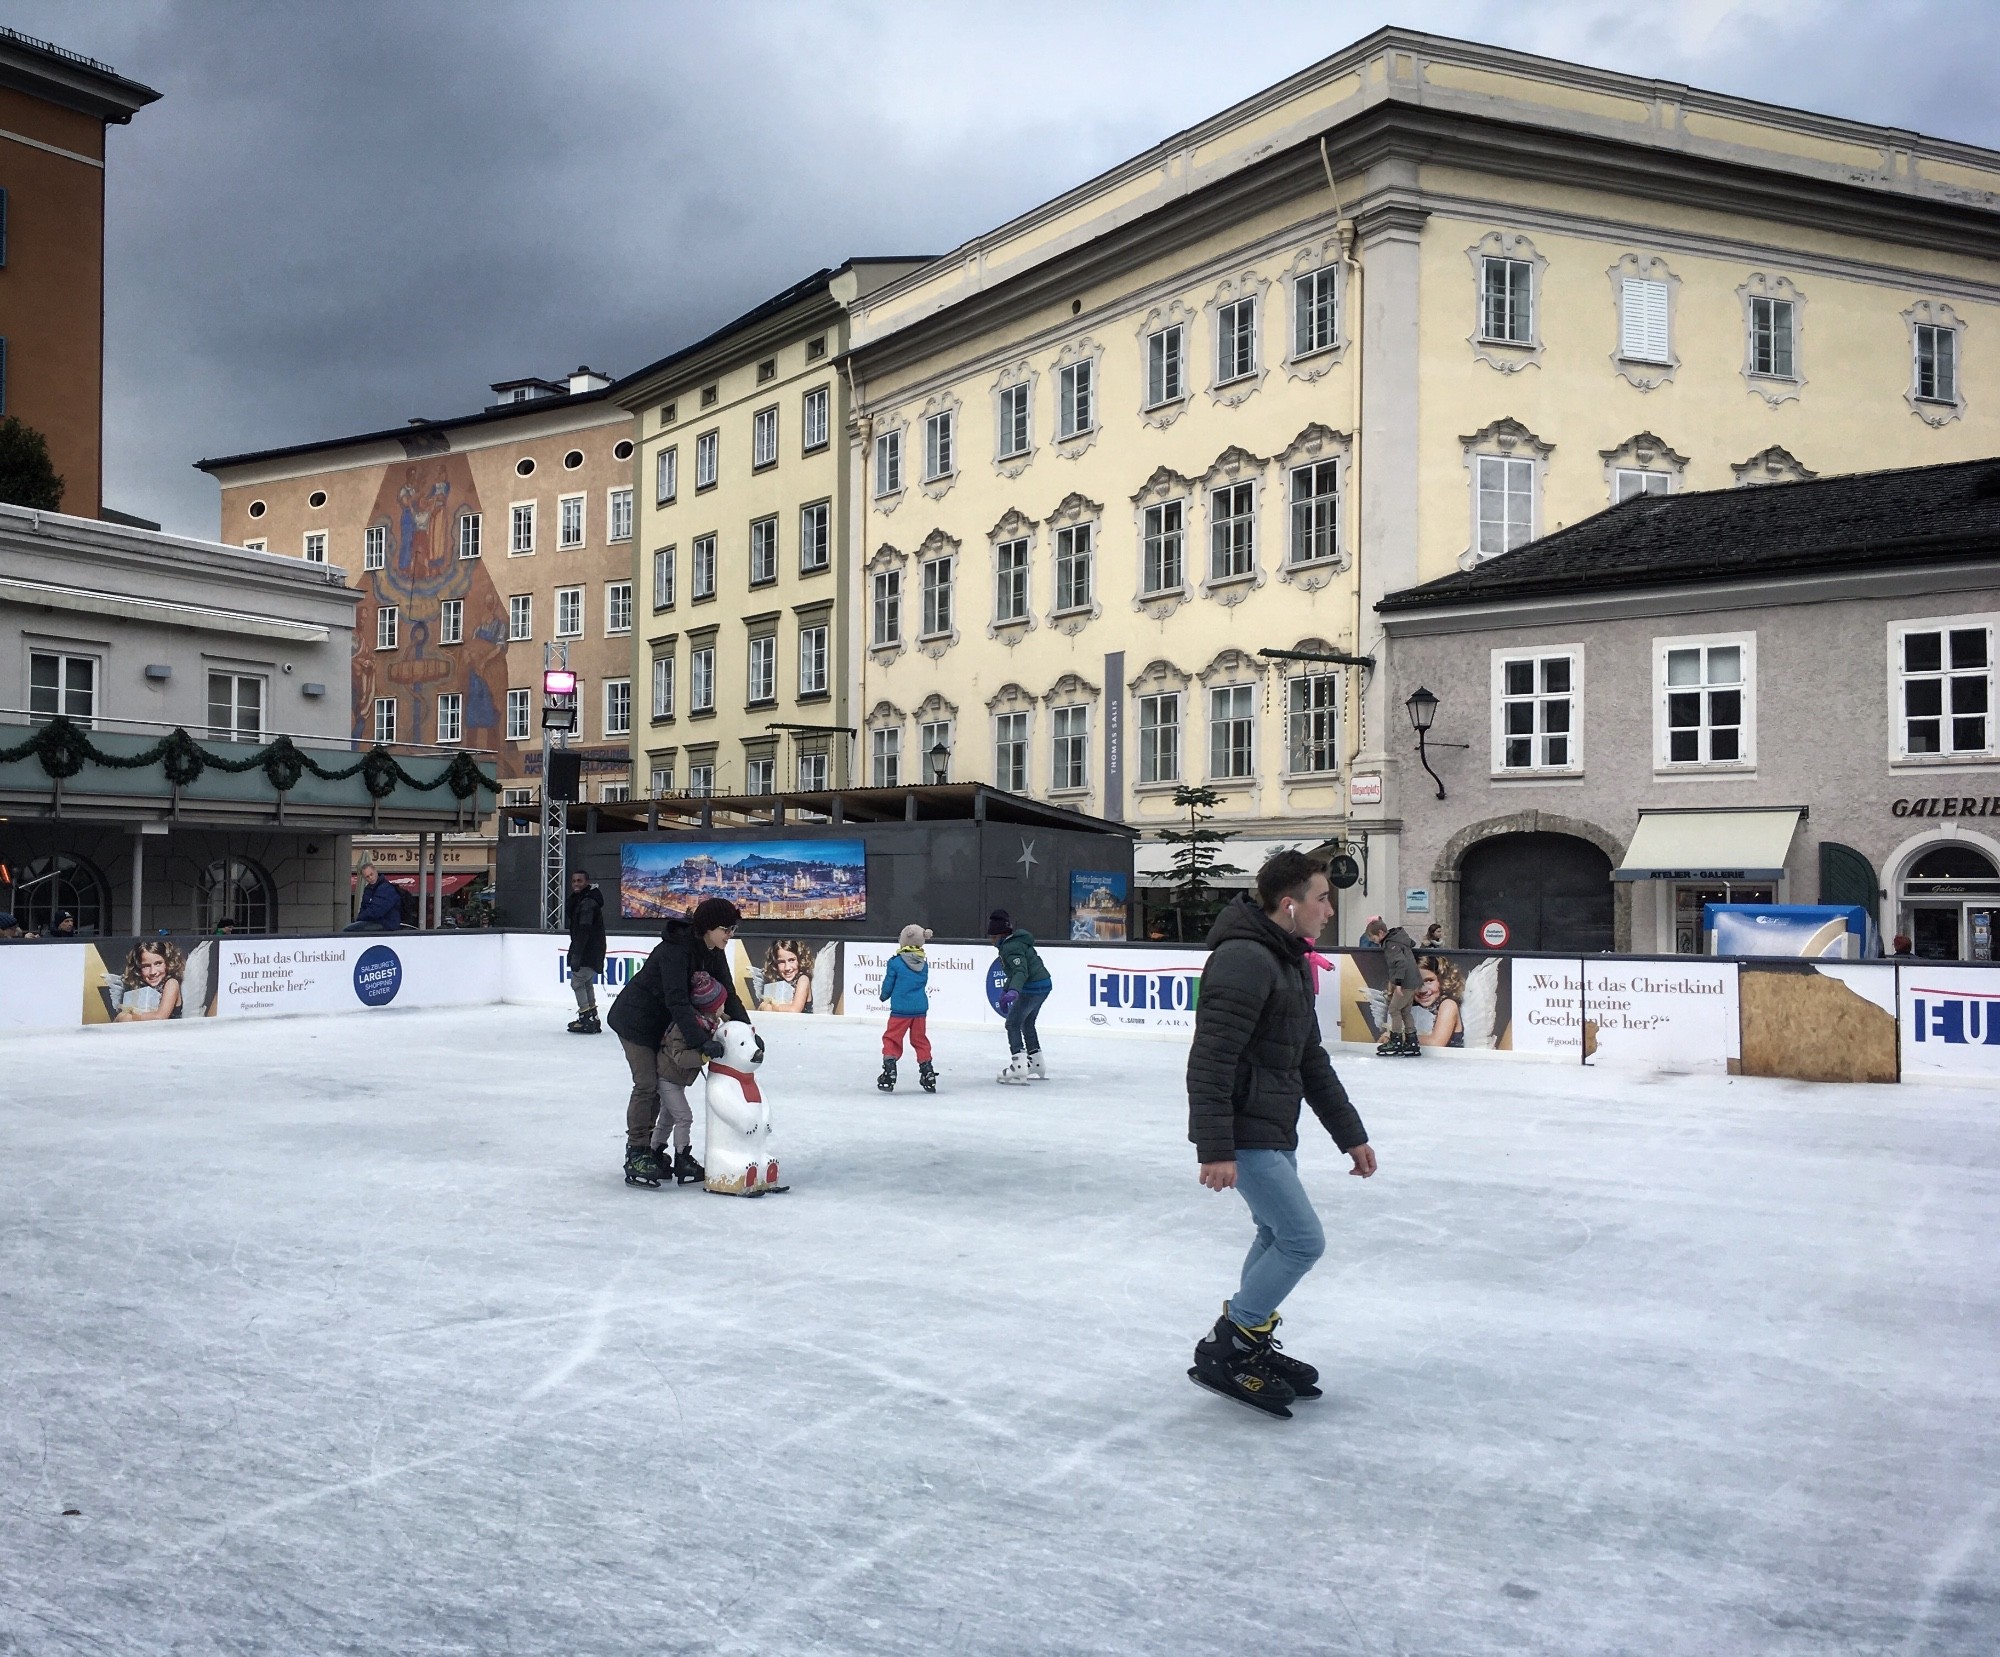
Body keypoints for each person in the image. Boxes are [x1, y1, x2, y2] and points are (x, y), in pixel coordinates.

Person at [1187, 850, 1375, 1419]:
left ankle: (1250, 1343)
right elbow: (1211, 1059)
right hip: (1246, 1130)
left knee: (1275, 1234)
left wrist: (1351, 1134)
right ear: (1289, 905)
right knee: (1301, 1240)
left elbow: (1308, 1058)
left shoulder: (1286, 959)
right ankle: (1232, 1342)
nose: (1330, 907)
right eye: (1322, 897)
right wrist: (1216, 1148)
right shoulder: (1244, 959)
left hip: (1274, 1125)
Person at [606, 897, 754, 1188]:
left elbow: (730, 994)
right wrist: (700, 1042)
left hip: (664, 1025)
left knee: (663, 1086)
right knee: (647, 1084)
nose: (730, 935)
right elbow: (678, 1001)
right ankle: (637, 1151)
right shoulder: (676, 951)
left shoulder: (713, 951)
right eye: (726, 928)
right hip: (636, 1022)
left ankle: (655, 1149)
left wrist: (746, 1031)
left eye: (733, 929)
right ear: (709, 927)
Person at [649, 971, 727, 1184]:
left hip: (676, 1079)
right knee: (684, 1116)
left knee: (668, 1117)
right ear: (711, 1006)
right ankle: (682, 1157)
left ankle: (654, 1152)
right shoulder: (685, 1027)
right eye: (721, 1004)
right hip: (667, 1078)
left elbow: (725, 1023)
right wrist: (703, 1055)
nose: (724, 1008)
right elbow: (680, 1058)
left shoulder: (708, 1021)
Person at [987, 909, 1052, 1084]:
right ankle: (1036, 1062)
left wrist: (1014, 991)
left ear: (1000, 935)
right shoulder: (1017, 942)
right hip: (1044, 985)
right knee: (1027, 1022)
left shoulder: (1009, 948)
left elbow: (1020, 971)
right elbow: (1016, 972)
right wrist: (1006, 989)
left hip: (1031, 988)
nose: (991, 941)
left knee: (1012, 1023)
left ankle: (1019, 1065)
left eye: (992, 937)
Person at [877, 923, 937, 1094]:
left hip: (900, 1010)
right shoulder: (923, 964)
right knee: (920, 1040)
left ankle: (890, 1071)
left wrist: (884, 995)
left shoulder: (895, 963)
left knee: (892, 1039)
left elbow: (889, 983)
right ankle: (927, 1071)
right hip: (919, 1010)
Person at [1363, 915, 1422, 1057]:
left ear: (1381, 933)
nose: (1374, 942)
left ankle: (1396, 1041)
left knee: (1394, 1009)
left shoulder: (1391, 944)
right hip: (1412, 980)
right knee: (1405, 1011)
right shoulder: (1398, 940)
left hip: (1406, 982)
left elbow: (1400, 963)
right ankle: (1412, 1042)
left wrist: (1399, 983)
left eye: (1374, 938)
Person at [565, 868, 608, 1035]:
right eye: (574, 881)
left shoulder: (587, 903)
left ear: (587, 882)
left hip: (588, 950)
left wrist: (577, 953)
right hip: (593, 949)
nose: (576, 884)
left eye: (579, 881)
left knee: (577, 983)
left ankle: (585, 1017)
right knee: (586, 982)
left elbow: (584, 929)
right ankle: (592, 1016)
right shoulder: (583, 900)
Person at [114, 940, 184, 1021]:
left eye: (158, 963)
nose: (152, 972)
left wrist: (129, 1017)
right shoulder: (140, 987)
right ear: (138, 968)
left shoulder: (171, 984)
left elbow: (160, 1017)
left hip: (169, 1032)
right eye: (146, 966)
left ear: (167, 963)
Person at [1412, 955, 1465, 1049]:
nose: (1422, 990)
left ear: (1442, 980)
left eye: (1429, 981)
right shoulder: (1410, 1008)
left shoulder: (1448, 1005)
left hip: (1447, 1063)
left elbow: (1436, 1043)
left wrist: (1400, 1038)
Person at [757, 938, 815, 1014]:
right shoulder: (779, 982)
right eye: (781, 962)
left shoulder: (803, 980)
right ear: (775, 964)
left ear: (800, 960)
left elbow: (794, 1010)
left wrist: (769, 1007)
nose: (787, 968)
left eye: (791, 960)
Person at [345, 864, 402, 933]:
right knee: (351, 929)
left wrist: (360, 919)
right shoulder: (368, 889)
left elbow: (376, 911)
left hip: (387, 925)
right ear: (364, 878)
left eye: (371, 874)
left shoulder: (386, 888)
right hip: (376, 923)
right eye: (367, 877)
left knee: (349, 930)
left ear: (375, 871)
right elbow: (364, 908)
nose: (370, 878)